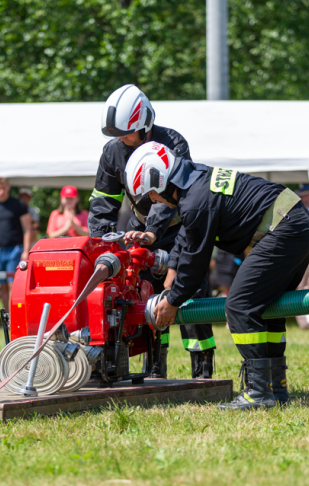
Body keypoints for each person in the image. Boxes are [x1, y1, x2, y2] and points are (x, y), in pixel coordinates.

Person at [127, 142, 309, 410]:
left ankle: (259, 392)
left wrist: (173, 300)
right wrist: (173, 266)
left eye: (152, 195)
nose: (155, 202)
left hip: (285, 230)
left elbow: (196, 263)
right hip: (296, 223)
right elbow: (188, 234)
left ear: (161, 182)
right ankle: (275, 388)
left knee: (239, 306)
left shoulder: (195, 200)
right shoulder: (197, 179)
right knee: (267, 308)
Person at [91, 84, 218, 379]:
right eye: (116, 135)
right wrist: (101, 242)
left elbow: (167, 195)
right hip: (139, 233)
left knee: (189, 295)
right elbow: (103, 200)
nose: (121, 140)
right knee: (145, 297)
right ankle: (155, 367)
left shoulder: (173, 142)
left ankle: (202, 368)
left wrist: (152, 232)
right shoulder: (113, 152)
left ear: (145, 124)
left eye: (126, 133)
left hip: (179, 230)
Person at [0, 177, 32, 313]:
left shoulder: (18, 204)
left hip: (14, 249)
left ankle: (15, 316)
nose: (1, 191)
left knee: (12, 285)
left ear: (8, 188)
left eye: (3, 188)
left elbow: (27, 228)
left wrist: (25, 250)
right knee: (2, 286)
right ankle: (8, 318)